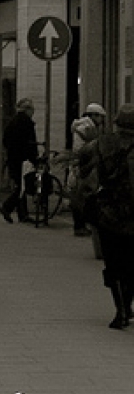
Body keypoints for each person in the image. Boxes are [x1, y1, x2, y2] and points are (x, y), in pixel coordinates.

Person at [77, 104, 134, 330]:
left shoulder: (102, 143)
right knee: (132, 262)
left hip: (110, 211)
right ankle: (128, 306)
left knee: (113, 262)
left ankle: (119, 310)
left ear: (116, 122)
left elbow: (84, 167)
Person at [69, 102, 106, 236]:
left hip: (81, 164)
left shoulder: (85, 127)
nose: (102, 120)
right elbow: (84, 149)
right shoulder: (87, 128)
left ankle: (80, 225)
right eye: (100, 116)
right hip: (84, 166)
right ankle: (80, 226)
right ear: (94, 115)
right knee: (83, 196)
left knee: (79, 195)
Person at [0, 98, 38, 224]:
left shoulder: (12, 122)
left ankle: (23, 214)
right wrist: (34, 158)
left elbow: (5, 140)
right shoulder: (26, 123)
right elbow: (30, 143)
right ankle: (7, 207)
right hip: (23, 159)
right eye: (32, 110)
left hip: (13, 158)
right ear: (27, 110)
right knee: (22, 187)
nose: (33, 112)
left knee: (20, 185)